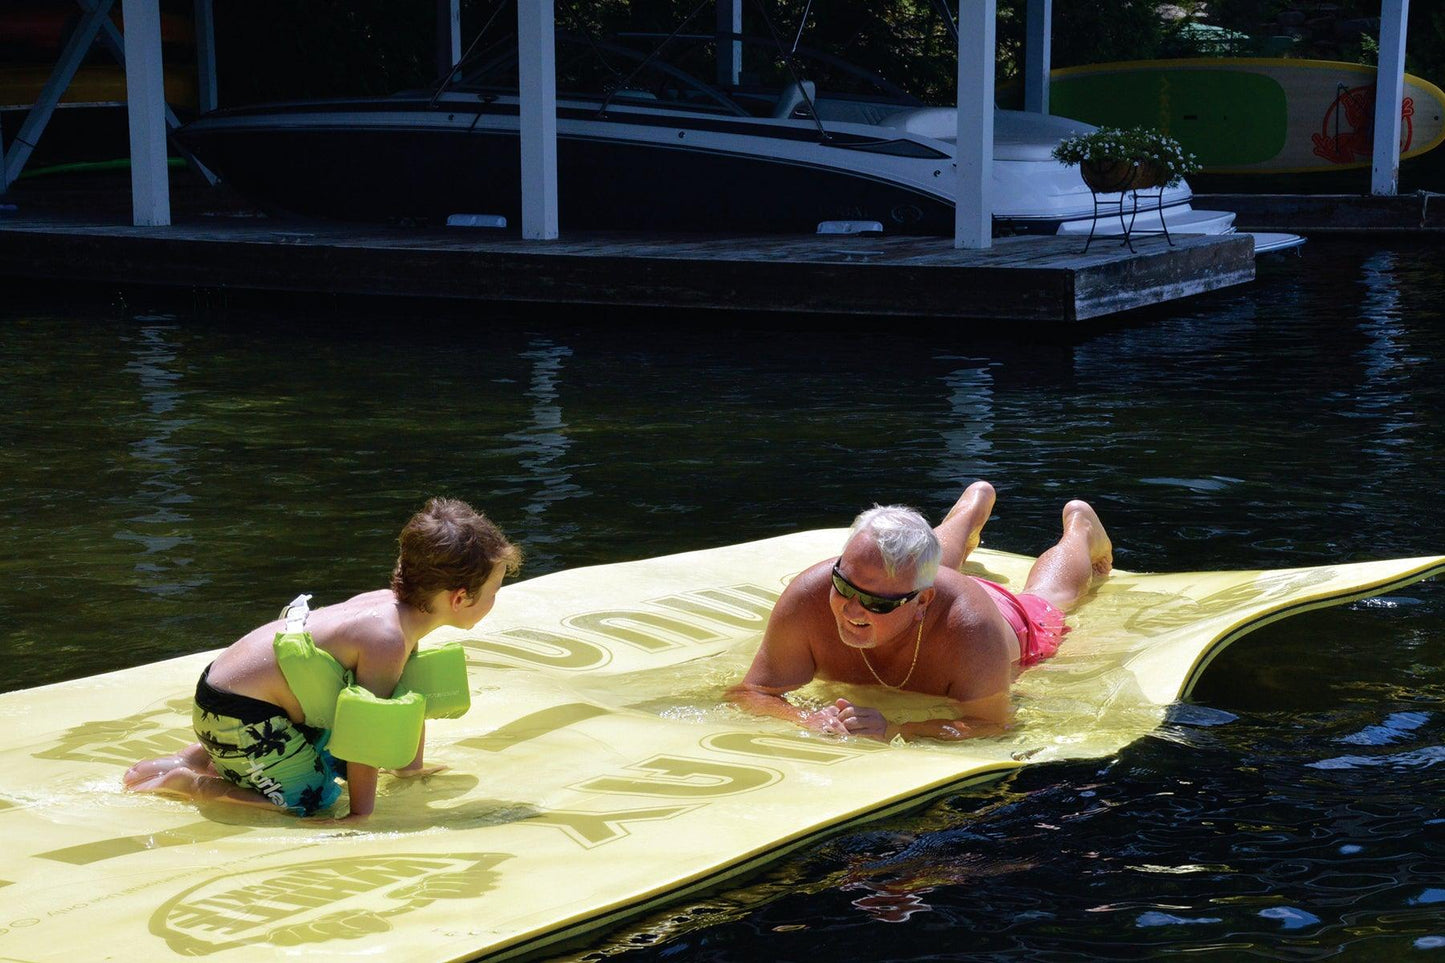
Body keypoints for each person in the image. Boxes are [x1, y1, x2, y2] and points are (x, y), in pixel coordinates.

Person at [124, 497, 520, 822]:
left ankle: (199, 756)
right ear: (459, 598)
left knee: (334, 760)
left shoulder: (392, 611)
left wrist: (408, 768)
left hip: (228, 693)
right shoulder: (386, 639)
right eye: (493, 591)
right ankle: (193, 782)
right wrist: (360, 813)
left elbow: (405, 694)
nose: (494, 599)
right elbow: (365, 738)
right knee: (313, 800)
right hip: (238, 715)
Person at [727, 481, 1111, 742]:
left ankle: (1081, 530)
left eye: (877, 603)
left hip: (1002, 620)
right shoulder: (810, 595)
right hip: (917, 587)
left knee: (1049, 597)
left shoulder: (972, 629)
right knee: (921, 562)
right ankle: (970, 508)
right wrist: (805, 718)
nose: (851, 608)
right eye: (843, 586)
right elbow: (749, 692)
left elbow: (992, 725)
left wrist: (897, 730)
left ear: (922, 602)